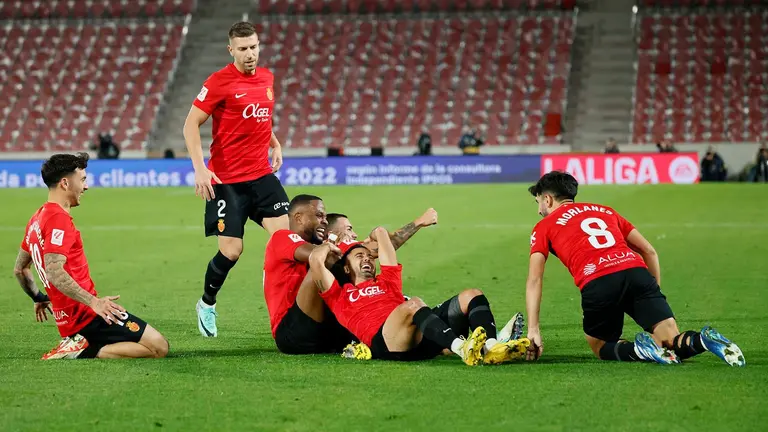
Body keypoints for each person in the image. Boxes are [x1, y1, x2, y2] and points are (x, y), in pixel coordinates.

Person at [523, 171, 745, 366]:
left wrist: (533, 329)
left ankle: (639, 350)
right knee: (670, 340)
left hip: (599, 281)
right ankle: (703, 340)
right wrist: (652, 293)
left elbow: (535, 279)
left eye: (538, 203)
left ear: (547, 199)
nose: (539, 211)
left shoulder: (544, 226)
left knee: (600, 345)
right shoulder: (605, 211)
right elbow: (649, 250)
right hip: (637, 274)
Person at [183, 21, 290, 337]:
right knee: (232, 251)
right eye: (243, 49)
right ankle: (207, 303)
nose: (250, 54)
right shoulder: (218, 82)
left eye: (254, 46)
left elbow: (260, 117)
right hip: (226, 181)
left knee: (286, 242)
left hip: (261, 176)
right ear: (231, 50)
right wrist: (200, 168)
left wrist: (275, 142)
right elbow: (191, 125)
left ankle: (282, 302)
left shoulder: (268, 78)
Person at [13, 153, 169, 360]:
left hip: (69, 320)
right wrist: (94, 302)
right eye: (83, 180)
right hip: (86, 315)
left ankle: (79, 343)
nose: (86, 187)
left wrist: (38, 297)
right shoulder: (58, 219)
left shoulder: (37, 218)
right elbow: (53, 269)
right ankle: (82, 348)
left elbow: (20, 269)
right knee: (158, 347)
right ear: (65, 183)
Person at [309, 229, 530, 365]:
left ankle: (492, 347)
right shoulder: (339, 294)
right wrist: (330, 247)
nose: (367, 259)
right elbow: (315, 261)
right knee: (413, 304)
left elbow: (383, 235)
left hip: (418, 336)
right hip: (387, 342)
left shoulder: (387, 281)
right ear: (346, 268)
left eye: (370, 257)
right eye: (359, 257)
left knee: (472, 295)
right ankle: (461, 348)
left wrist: (376, 232)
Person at [265, 199, 445, 355]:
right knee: (324, 263)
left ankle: (365, 340)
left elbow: (384, 246)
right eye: (349, 229)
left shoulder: (342, 250)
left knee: (352, 273)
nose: (355, 235)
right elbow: (318, 256)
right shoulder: (285, 238)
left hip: (324, 332)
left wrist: (420, 222)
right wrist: (342, 245)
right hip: (291, 332)